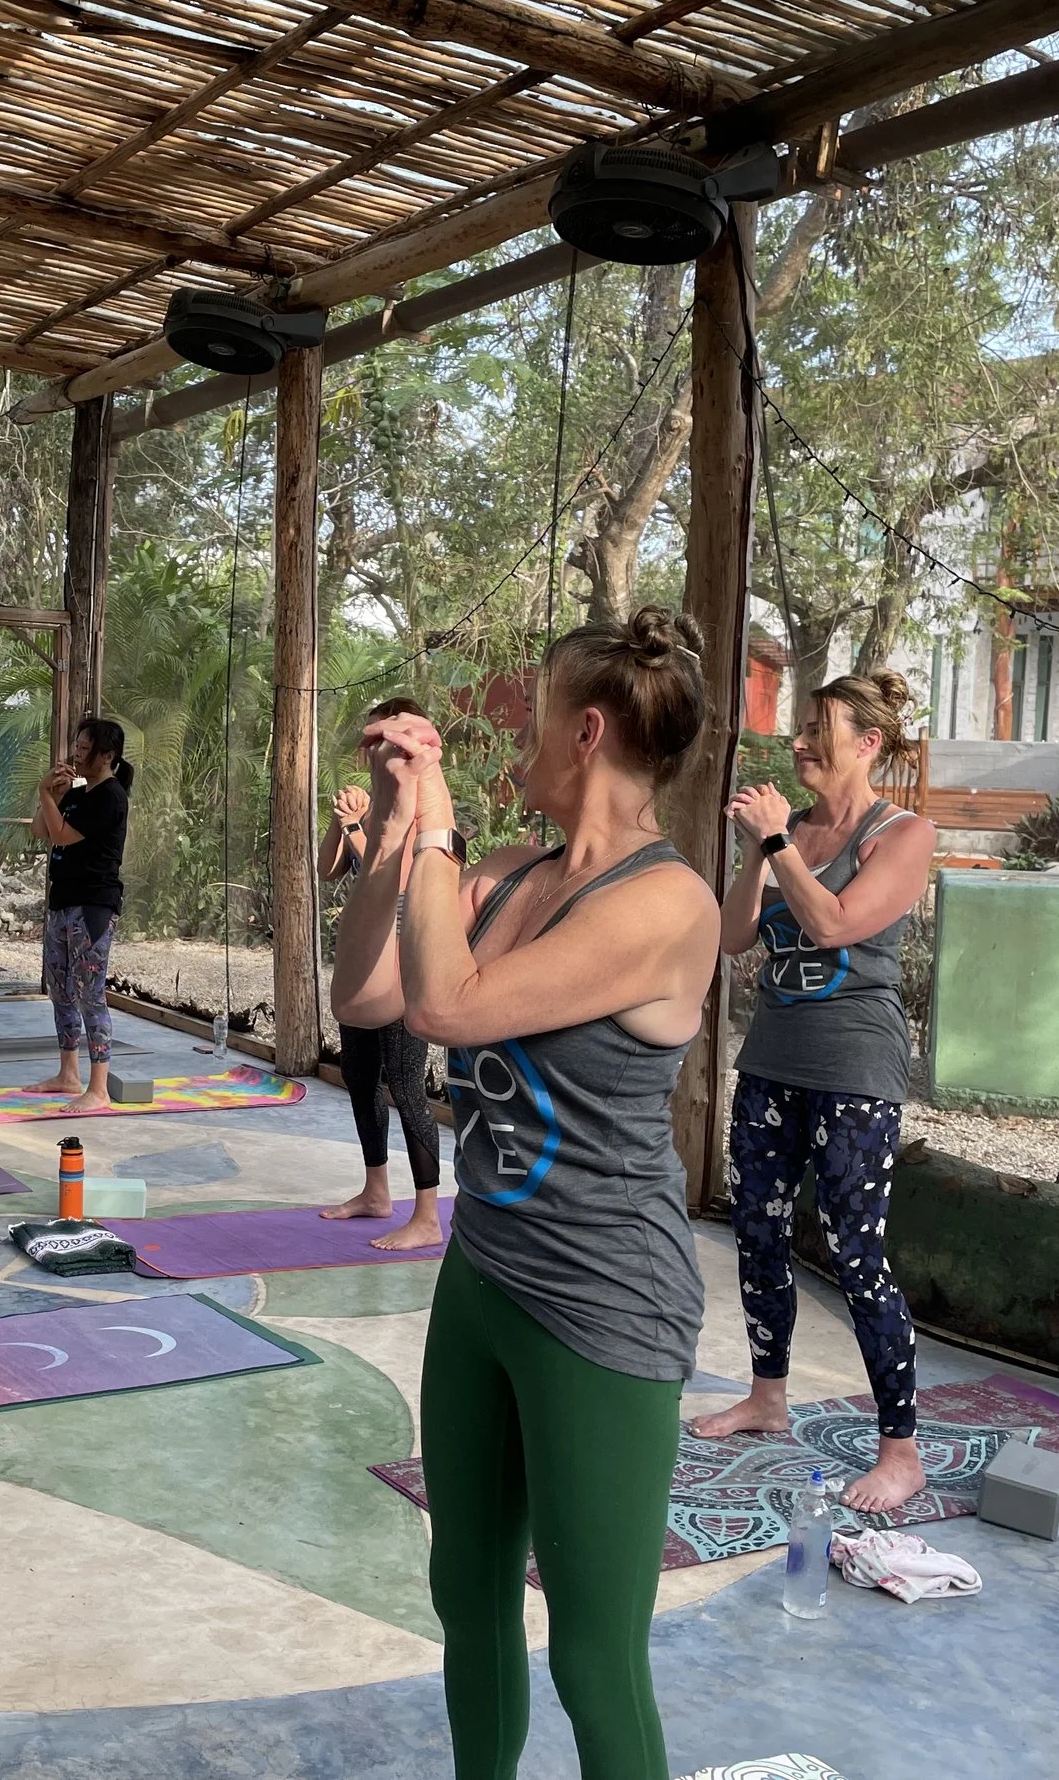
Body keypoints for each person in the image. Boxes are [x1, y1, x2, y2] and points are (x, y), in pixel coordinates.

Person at [332, 608, 718, 1780]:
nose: (514, 735)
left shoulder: (667, 907)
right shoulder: (505, 873)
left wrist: (441, 828)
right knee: (467, 1596)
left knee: (595, 1657)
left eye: (534, 714)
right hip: (486, 1276)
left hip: (604, 1304)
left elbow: (448, 1010)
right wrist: (404, 831)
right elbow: (366, 996)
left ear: (586, 732)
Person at [689, 671, 938, 1515]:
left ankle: (901, 1450)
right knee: (756, 1233)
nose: (798, 741)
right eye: (799, 726)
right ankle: (767, 1395)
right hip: (772, 1060)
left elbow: (833, 922)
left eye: (817, 728)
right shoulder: (786, 828)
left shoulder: (902, 833)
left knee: (855, 1249)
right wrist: (754, 852)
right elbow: (731, 939)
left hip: (855, 1071)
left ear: (868, 743)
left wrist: (776, 849)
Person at [318, 697, 445, 1252]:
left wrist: (362, 829)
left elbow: (397, 877)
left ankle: (427, 1214)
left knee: (406, 1084)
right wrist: (340, 823)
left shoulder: (426, 805)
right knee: (361, 1077)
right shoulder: (370, 806)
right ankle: (376, 1192)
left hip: (404, 962)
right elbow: (327, 871)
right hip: (361, 965)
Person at [31, 715, 131, 1111]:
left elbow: (61, 835)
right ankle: (68, 1073)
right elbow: (42, 828)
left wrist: (44, 793)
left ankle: (99, 1088)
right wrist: (51, 796)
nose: (76, 752)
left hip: (93, 905)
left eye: (84, 747)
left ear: (106, 755)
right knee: (60, 989)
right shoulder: (77, 793)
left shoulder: (110, 796)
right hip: (63, 902)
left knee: (91, 994)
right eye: (76, 744)